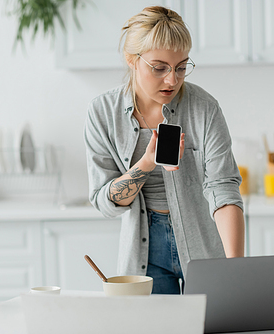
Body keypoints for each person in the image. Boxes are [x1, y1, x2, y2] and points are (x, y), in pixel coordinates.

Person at [84, 6, 244, 294]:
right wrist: (146, 163)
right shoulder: (102, 113)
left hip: (203, 244)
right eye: (159, 68)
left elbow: (223, 187)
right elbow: (103, 202)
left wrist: (236, 267)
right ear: (132, 60)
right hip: (144, 254)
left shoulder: (204, 108)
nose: (172, 80)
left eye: (181, 67)